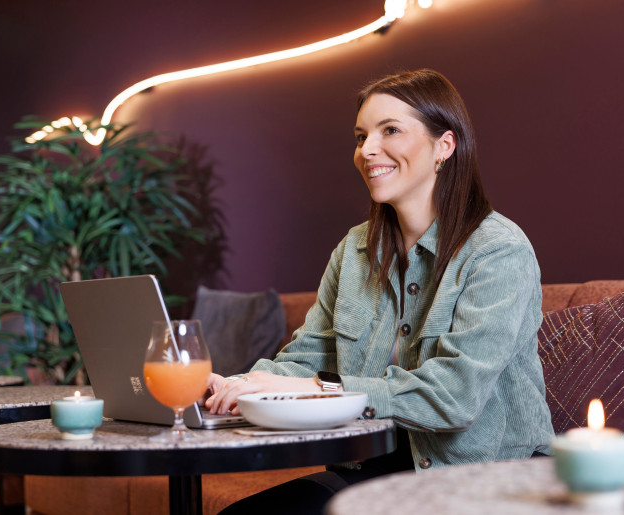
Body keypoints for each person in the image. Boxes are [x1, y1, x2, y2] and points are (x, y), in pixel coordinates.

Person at [205, 69, 554, 514]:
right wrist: (239, 386)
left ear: (444, 146)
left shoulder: (498, 251)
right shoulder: (354, 250)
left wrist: (318, 390)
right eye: (361, 135)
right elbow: (308, 360)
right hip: (376, 470)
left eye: (390, 130)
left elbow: (453, 398)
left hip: (489, 477)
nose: (367, 150)